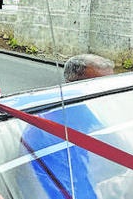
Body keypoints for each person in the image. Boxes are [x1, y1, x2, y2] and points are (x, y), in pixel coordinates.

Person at [20, 54, 114, 199]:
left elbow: (121, 157)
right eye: (97, 86)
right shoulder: (45, 132)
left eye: (110, 86)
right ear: (71, 84)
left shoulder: (94, 115)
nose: (108, 94)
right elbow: (58, 191)